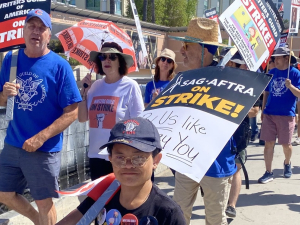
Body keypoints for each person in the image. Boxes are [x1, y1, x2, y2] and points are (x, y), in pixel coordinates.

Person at [0, 9, 81, 225]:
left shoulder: (60, 66)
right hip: (13, 143)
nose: (36, 31)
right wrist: (4, 95)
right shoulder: (11, 59)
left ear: (48, 34)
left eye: (41, 28)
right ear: (24, 30)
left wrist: (41, 137)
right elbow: (1, 101)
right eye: (31, 26)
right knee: (4, 193)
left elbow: (73, 112)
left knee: (44, 202)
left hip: (43, 149)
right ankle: (38, 221)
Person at [169, 17, 237, 225]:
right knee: (178, 215)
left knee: (215, 220)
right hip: (186, 158)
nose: (181, 51)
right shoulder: (181, 79)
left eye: (186, 46)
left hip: (217, 162)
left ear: (203, 51)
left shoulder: (230, 80)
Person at [56, 117, 186, 225]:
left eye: (138, 158)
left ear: (156, 160)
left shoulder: (168, 213)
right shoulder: (104, 195)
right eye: (120, 158)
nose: (128, 165)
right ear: (110, 158)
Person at [78, 42, 144, 181]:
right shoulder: (95, 86)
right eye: (103, 57)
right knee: (100, 201)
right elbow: (82, 118)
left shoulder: (130, 86)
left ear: (120, 62)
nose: (107, 60)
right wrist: (83, 93)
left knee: (120, 200)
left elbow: (139, 123)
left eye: (112, 57)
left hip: (120, 157)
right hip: (96, 155)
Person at [259, 47, 300, 184]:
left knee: (286, 144)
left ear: (286, 58)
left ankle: (287, 163)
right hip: (270, 113)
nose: (275, 60)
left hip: (286, 114)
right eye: (274, 58)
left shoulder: (295, 74)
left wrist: (290, 87)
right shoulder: (271, 72)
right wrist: (263, 110)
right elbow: (267, 92)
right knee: (268, 143)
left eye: (278, 58)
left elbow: (299, 94)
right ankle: (268, 172)